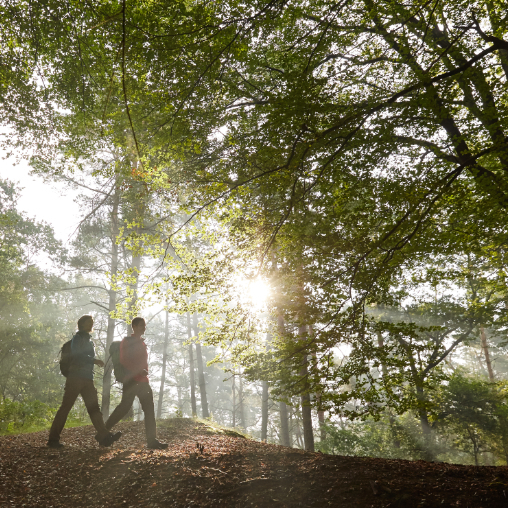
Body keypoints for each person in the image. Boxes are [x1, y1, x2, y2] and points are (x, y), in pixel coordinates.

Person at [47, 315, 122, 449]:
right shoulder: (78, 338)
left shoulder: (90, 341)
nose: (91, 324)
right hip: (75, 377)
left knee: (94, 409)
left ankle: (105, 436)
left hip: (88, 379)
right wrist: (94, 360)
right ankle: (53, 439)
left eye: (92, 322)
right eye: (89, 322)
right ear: (81, 324)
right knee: (65, 408)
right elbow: (76, 353)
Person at [105, 317, 168, 449]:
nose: (143, 328)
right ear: (133, 326)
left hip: (143, 382)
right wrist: (139, 370)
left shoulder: (142, 343)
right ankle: (103, 433)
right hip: (131, 381)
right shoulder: (127, 341)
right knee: (124, 408)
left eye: (144, 325)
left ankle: (152, 441)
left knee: (149, 410)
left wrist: (142, 372)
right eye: (140, 325)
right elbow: (123, 360)